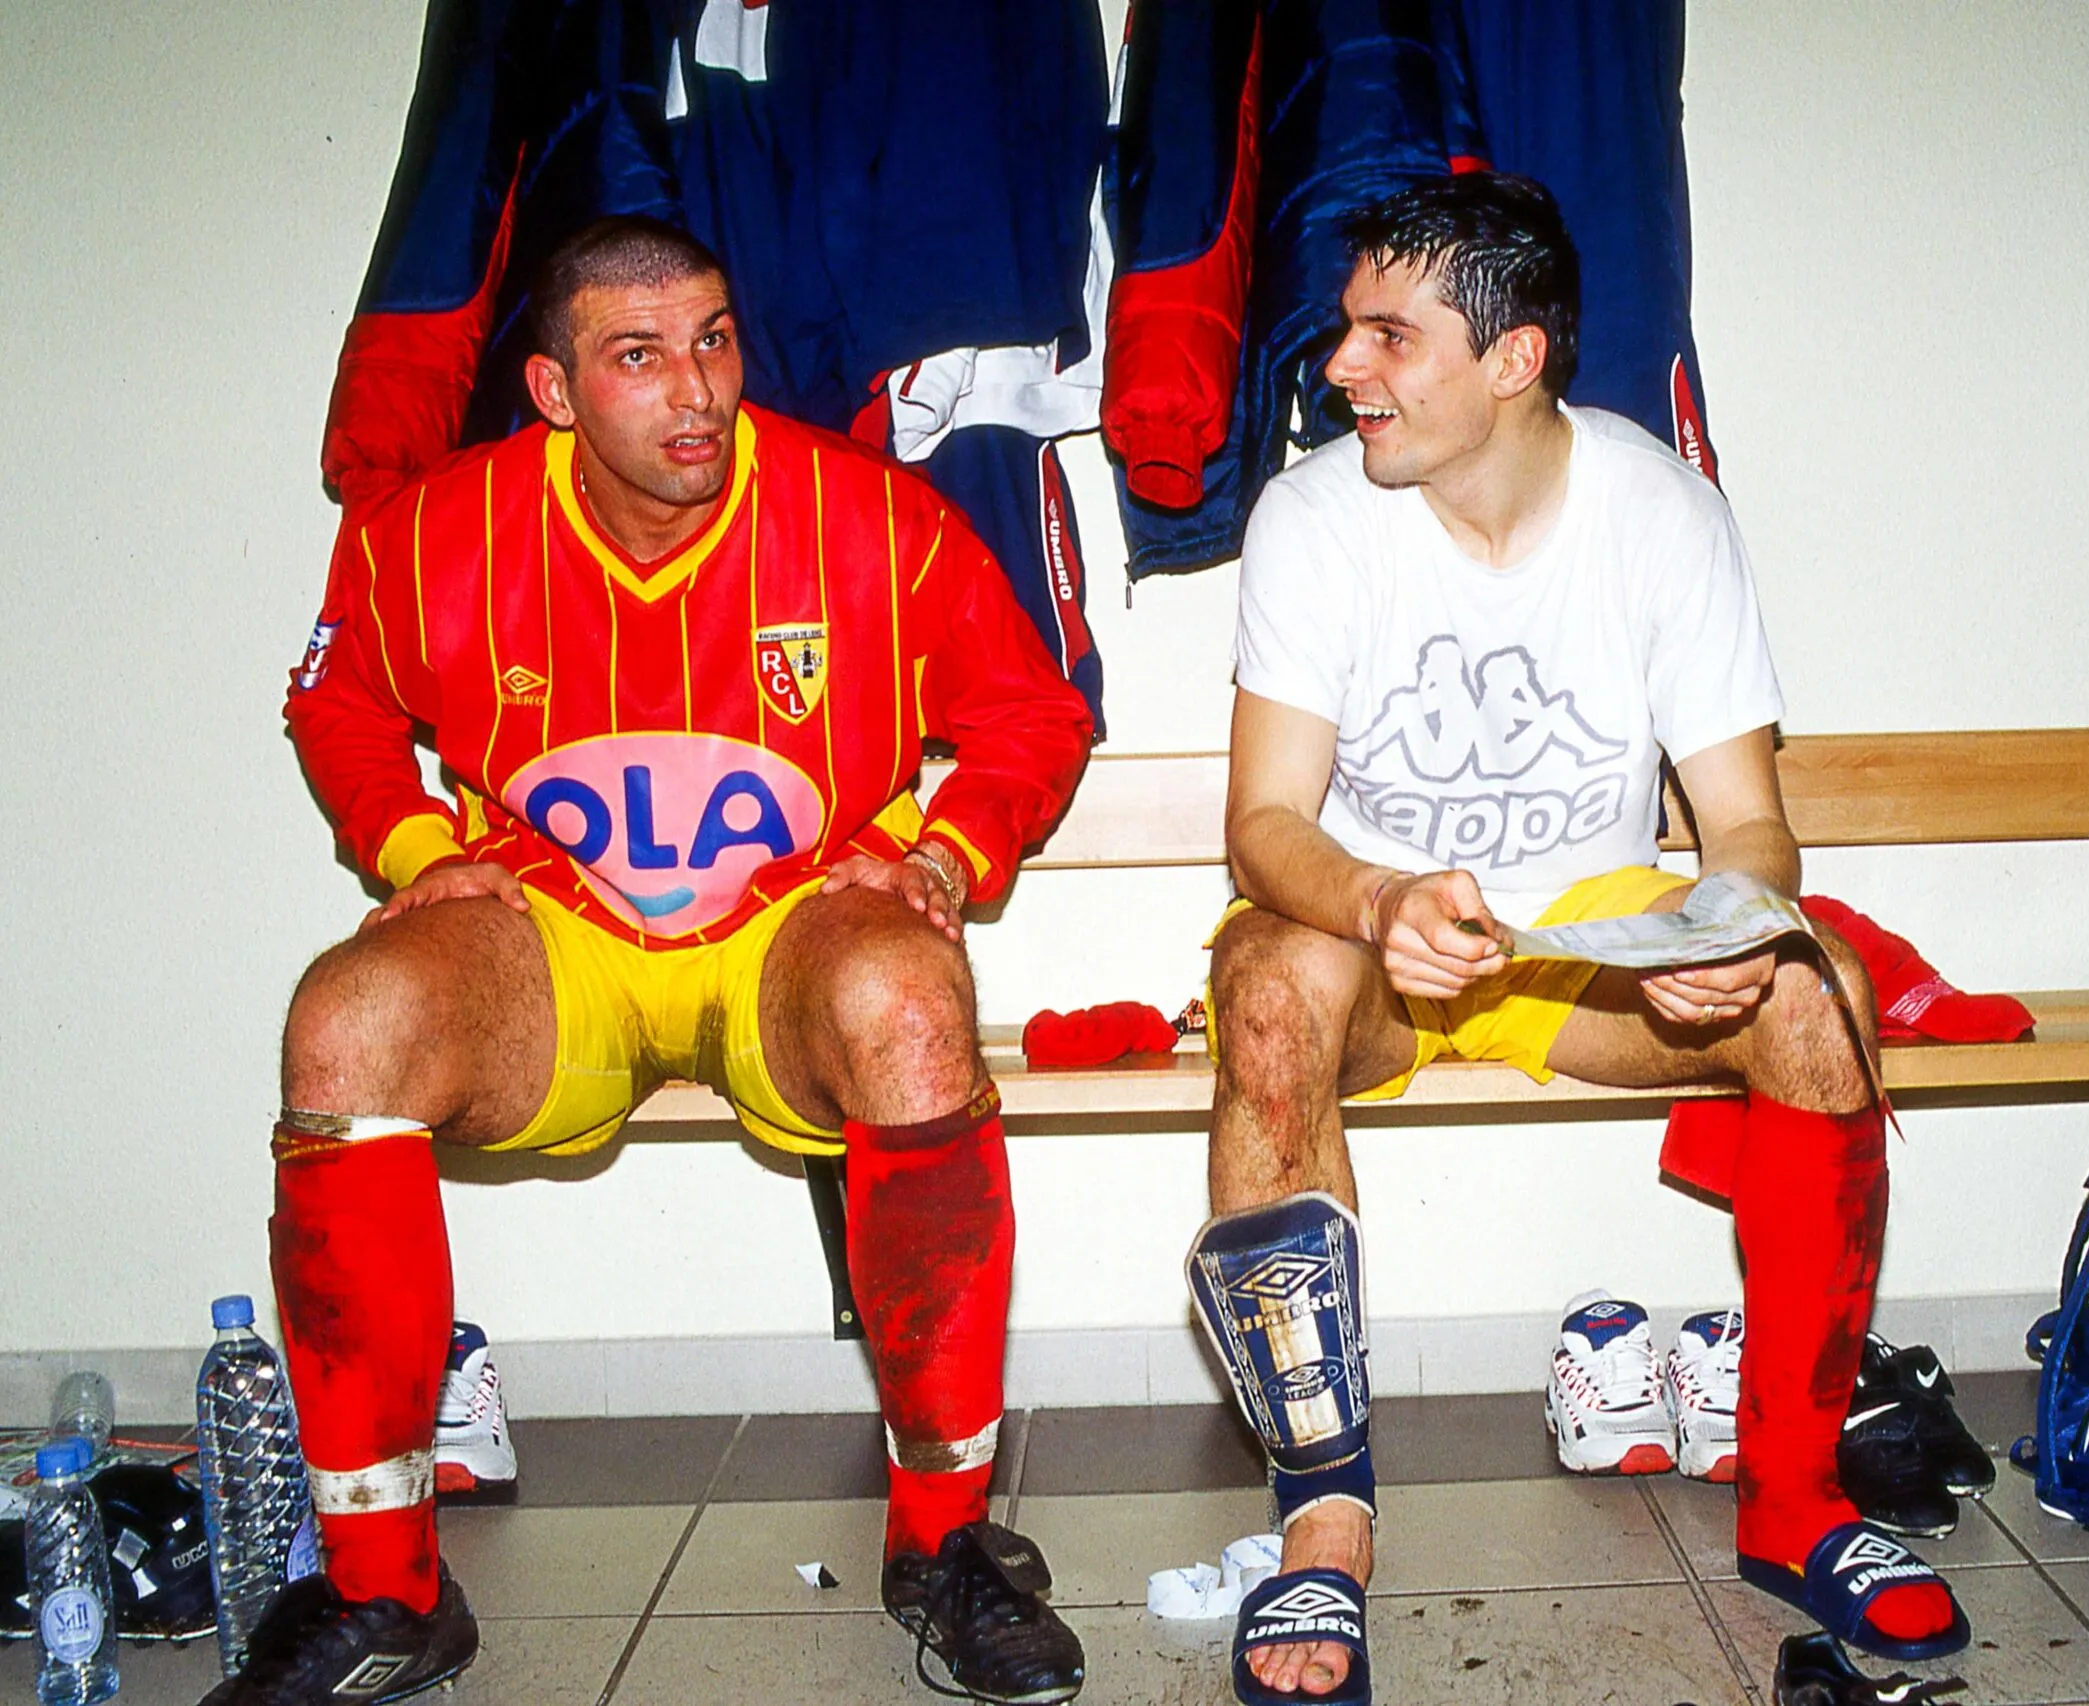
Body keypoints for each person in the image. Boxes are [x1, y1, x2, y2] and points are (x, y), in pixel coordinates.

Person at [220, 217, 1093, 1706]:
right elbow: (338, 703)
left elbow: (1033, 711)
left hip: (788, 927)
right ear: (555, 391)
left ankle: (944, 1545)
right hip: (553, 940)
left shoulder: (872, 516)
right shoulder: (432, 527)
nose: (695, 390)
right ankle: (383, 1591)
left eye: (712, 340)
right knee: (343, 1018)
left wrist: (946, 856)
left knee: (911, 1001)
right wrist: (423, 854)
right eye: (639, 356)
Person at [1184, 174, 1969, 1705]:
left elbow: (1747, 828)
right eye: (1349, 329)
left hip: (1577, 929)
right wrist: (1376, 904)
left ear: (1515, 358)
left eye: (1389, 337)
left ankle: (1801, 1499)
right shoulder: (1313, 514)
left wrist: (1732, 927)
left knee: (1822, 994)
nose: (1342, 366)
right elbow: (1266, 824)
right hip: (1376, 932)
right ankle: (1323, 1525)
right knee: (1267, 989)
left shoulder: (1661, 511)